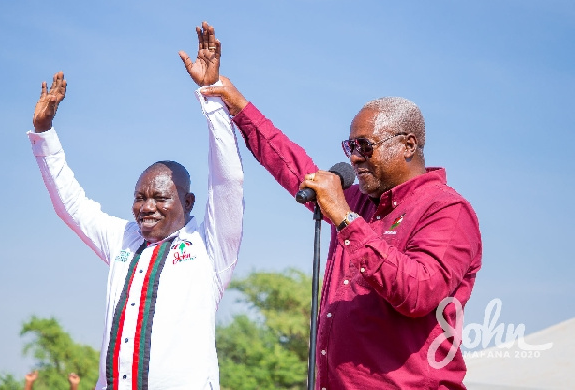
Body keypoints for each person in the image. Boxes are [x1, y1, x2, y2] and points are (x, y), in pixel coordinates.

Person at [199, 75, 482, 389]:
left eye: (364, 146)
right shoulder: (358, 202)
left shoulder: (447, 210)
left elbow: (418, 294)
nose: (354, 157)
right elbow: (292, 166)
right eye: (350, 146)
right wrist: (235, 102)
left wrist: (347, 220)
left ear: (408, 145)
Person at [28, 22, 244, 390]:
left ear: (188, 202)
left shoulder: (208, 244)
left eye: (160, 197)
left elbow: (228, 182)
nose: (146, 207)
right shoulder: (122, 239)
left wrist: (211, 95)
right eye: (140, 197)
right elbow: (72, 204)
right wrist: (44, 134)